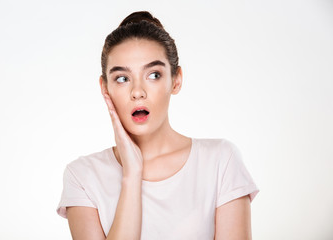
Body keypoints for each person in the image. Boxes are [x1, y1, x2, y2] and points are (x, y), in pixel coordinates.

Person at [56, 11, 259, 240]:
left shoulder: (221, 161)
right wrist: (132, 175)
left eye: (153, 75)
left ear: (176, 80)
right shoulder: (82, 176)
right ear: (105, 88)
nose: (138, 92)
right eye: (122, 78)